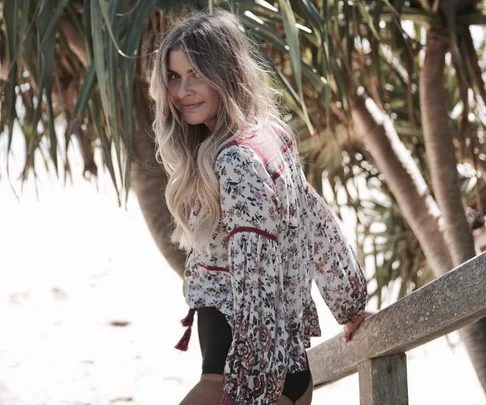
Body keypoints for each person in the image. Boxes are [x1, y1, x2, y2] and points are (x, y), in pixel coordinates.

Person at [149, 9, 368, 405]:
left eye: (197, 74)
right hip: (284, 374)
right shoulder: (269, 135)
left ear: (226, 74)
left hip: (248, 383)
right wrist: (350, 305)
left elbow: (256, 282)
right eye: (174, 77)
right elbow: (316, 221)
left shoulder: (236, 161)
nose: (182, 92)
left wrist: (247, 390)